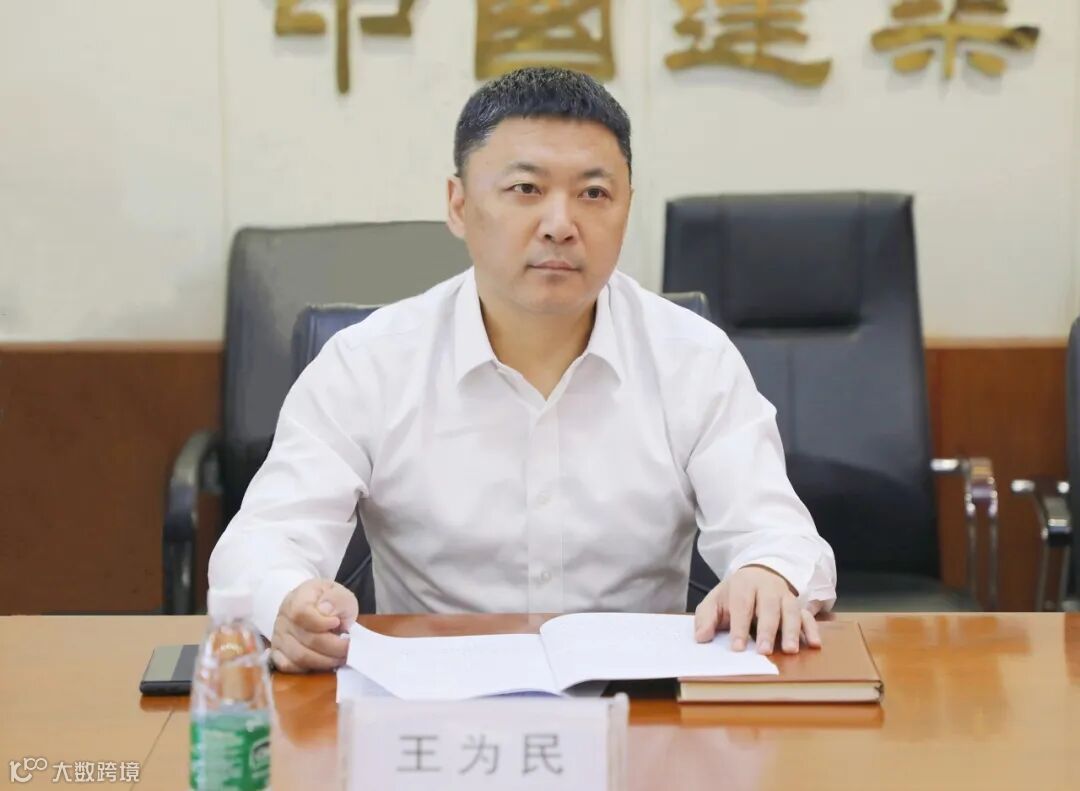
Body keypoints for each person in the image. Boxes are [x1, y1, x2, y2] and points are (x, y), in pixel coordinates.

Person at [208, 66, 837, 674]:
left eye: (594, 194)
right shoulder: (368, 364)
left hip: (638, 707)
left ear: (626, 208)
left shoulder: (693, 359)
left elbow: (778, 533)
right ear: (458, 205)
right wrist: (287, 599)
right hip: (428, 705)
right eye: (526, 190)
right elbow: (263, 540)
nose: (561, 226)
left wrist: (767, 573)